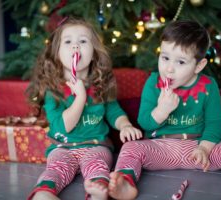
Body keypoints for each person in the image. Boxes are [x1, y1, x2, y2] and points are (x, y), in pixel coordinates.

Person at [108, 20, 221, 199]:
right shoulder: (153, 83)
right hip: (161, 148)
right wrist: (162, 110)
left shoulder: (208, 86)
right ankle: (125, 182)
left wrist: (204, 148)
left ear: (199, 66)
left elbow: (215, 124)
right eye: (165, 58)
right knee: (131, 148)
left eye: (180, 62)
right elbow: (145, 123)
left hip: (197, 149)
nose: (169, 69)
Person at [26, 17, 142, 200]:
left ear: (94, 52)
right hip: (62, 147)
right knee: (55, 169)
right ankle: (44, 193)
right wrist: (80, 97)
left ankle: (98, 192)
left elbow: (114, 112)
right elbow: (64, 127)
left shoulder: (101, 85)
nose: (75, 46)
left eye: (82, 41)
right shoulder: (53, 90)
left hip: (95, 146)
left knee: (98, 166)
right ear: (56, 53)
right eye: (68, 41)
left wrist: (125, 125)